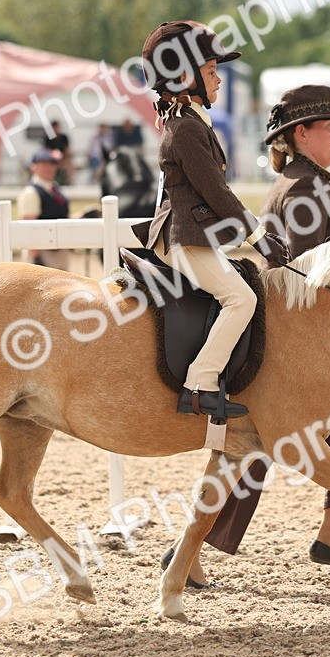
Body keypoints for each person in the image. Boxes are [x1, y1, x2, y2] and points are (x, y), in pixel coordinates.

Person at [180, 86, 330, 586]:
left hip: (296, 338)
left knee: (255, 443)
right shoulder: (302, 189)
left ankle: (203, 547)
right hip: (298, 342)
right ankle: (325, 534)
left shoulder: (305, 181)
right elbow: (312, 275)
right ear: (301, 134)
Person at [132, 20, 289, 418]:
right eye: (212, 71)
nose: (219, 79)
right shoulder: (185, 129)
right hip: (184, 237)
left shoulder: (190, 122)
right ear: (184, 76)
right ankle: (200, 384)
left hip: (192, 233)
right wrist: (259, 238)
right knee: (241, 299)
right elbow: (216, 194)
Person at [18, 149, 71, 271]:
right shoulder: (31, 192)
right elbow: (28, 226)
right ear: (34, 167)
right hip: (42, 252)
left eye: (52, 164)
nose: (49, 168)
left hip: (59, 250)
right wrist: (36, 257)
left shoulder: (55, 189)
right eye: (44, 164)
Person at [44, 121, 72, 186]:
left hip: (63, 158)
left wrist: (65, 160)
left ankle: (69, 182)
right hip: (52, 158)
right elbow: (47, 150)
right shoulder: (48, 138)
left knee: (70, 166)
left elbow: (67, 150)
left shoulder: (64, 137)